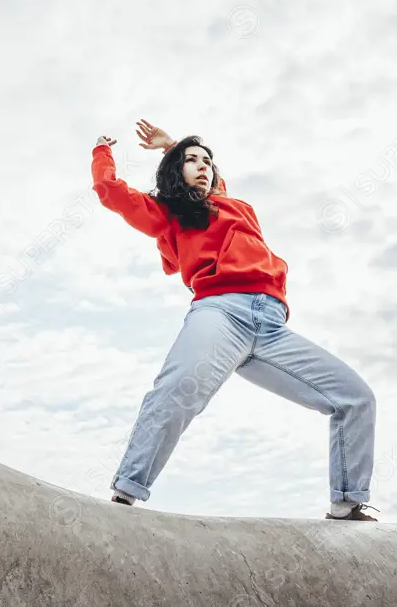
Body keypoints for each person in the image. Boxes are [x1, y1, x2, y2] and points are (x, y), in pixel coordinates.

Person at [91, 119, 379, 521]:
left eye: (207, 161)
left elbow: (212, 178)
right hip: (220, 312)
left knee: (355, 397)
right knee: (177, 390)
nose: (203, 166)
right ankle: (126, 494)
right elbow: (111, 192)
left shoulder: (232, 204)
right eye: (192, 161)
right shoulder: (169, 213)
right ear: (177, 172)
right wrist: (102, 152)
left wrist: (174, 144)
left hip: (272, 328)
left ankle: (347, 505)